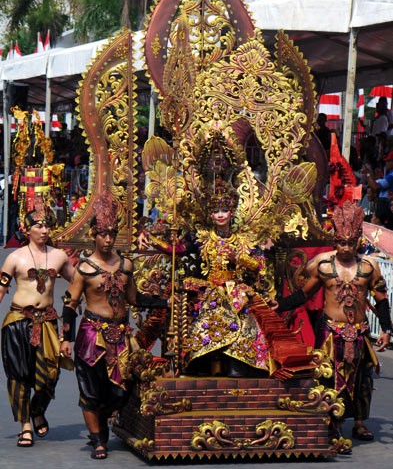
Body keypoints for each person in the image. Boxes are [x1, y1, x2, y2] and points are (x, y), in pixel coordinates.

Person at [60, 191, 172, 460]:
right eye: (103, 234)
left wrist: (164, 301)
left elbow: (133, 298)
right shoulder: (85, 269)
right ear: (93, 235)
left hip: (121, 334)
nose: (108, 239)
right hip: (91, 334)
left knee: (120, 390)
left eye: (112, 234)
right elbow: (70, 305)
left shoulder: (126, 265)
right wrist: (66, 338)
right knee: (90, 388)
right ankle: (98, 439)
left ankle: (101, 423)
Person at [274, 201, 392, 453]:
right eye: (341, 242)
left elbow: (381, 300)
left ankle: (359, 423)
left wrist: (386, 329)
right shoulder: (323, 265)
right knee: (329, 379)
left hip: (359, 332)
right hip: (330, 332)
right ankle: (331, 421)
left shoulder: (369, 266)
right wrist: (279, 305)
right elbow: (303, 295)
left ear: (358, 240)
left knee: (362, 379)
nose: (346, 248)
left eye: (351, 243)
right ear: (334, 241)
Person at [0, 197, 75, 448]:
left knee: (50, 375)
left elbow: (77, 287)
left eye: (46, 225)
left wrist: (68, 324)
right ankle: (25, 426)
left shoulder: (59, 256)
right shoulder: (15, 258)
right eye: (38, 226)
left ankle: (37, 409)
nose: (44, 230)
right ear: (27, 229)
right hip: (18, 321)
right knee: (19, 375)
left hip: (47, 323)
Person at [181, 180, 271, 378]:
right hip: (211, 289)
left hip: (236, 290)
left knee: (244, 319)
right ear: (211, 216)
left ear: (231, 213)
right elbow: (179, 251)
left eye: (224, 210)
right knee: (209, 315)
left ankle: (237, 364)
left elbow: (259, 266)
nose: (220, 214)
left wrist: (237, 258)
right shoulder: (202, 238)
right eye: (216, 211)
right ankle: (209, 362)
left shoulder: (242, 240)